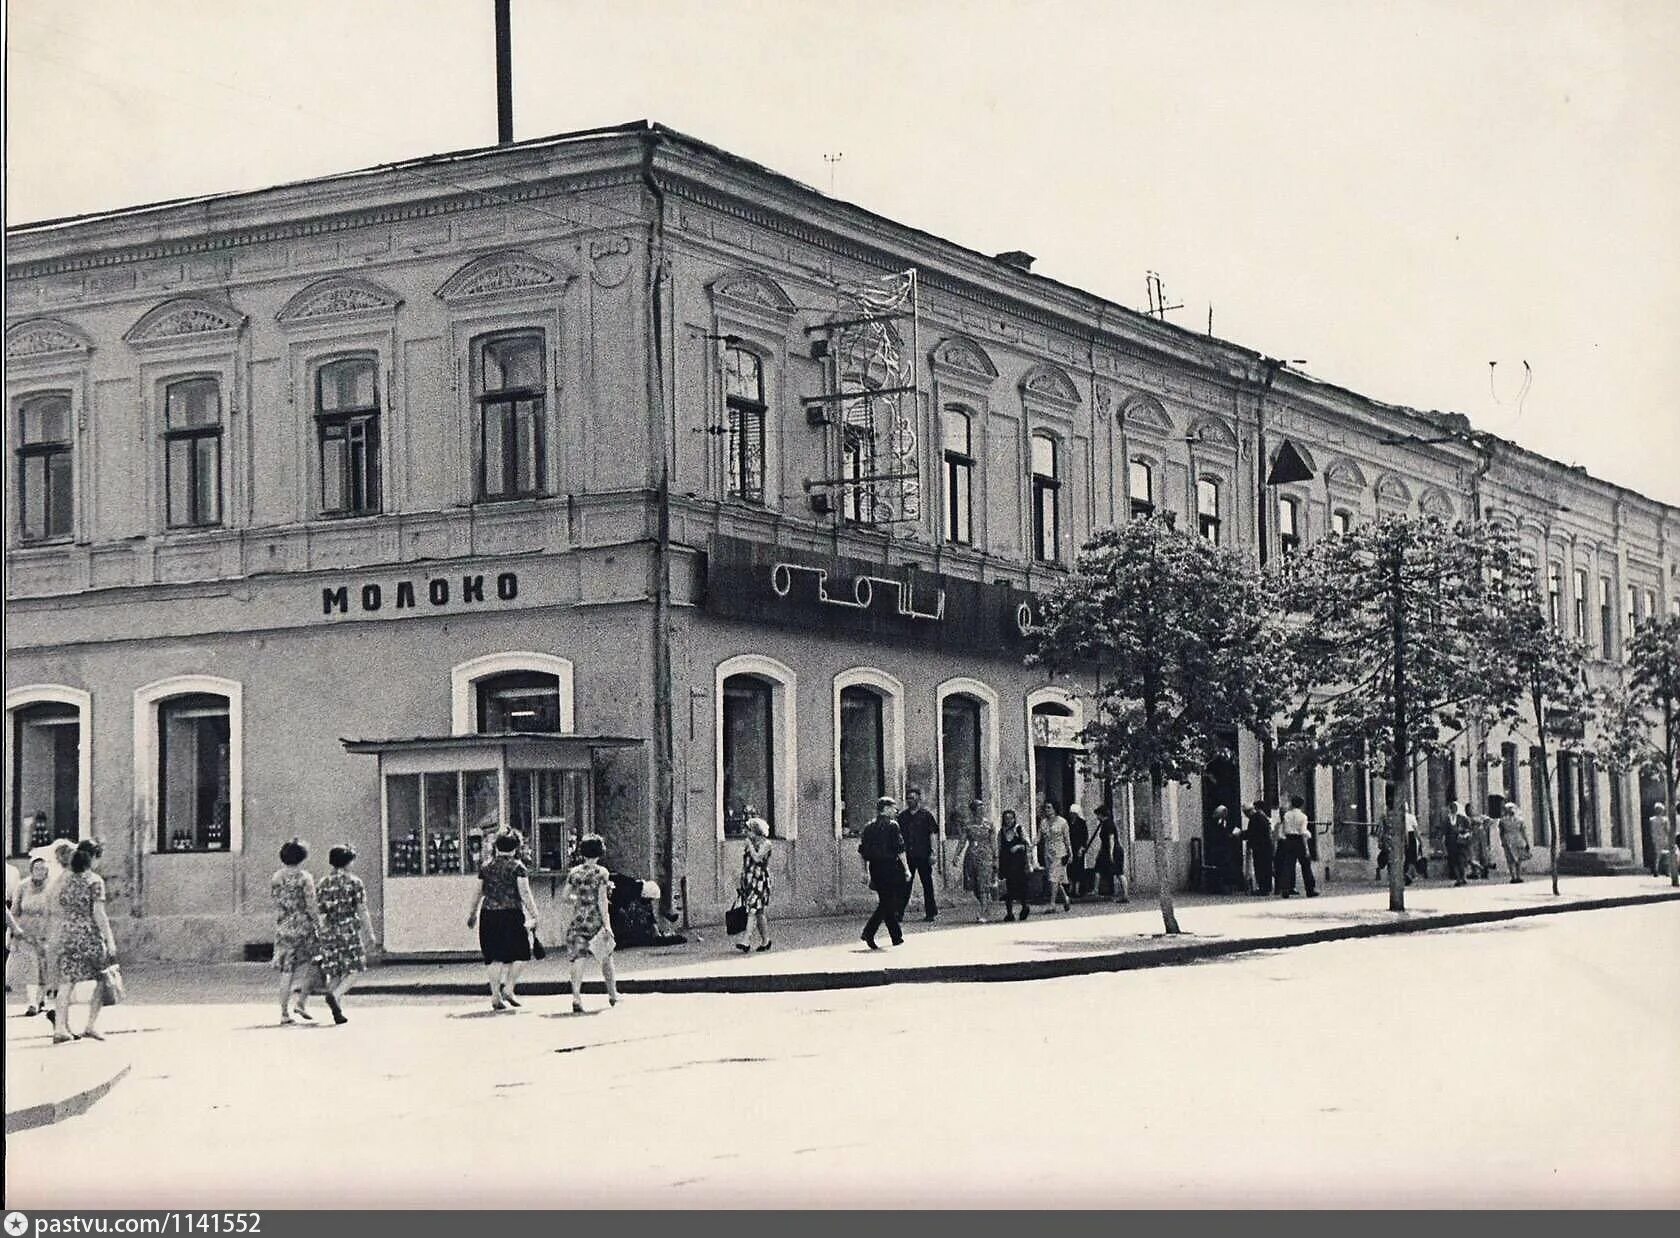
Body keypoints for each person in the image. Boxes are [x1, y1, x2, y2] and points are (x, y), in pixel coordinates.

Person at [52, 840, 117, 1044]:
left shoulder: (65, 879)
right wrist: (110, 940)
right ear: (94, 857)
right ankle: (90, 1025)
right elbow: (99, 913)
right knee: (101, 979)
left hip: (68, 934)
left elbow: (55, 903)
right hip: (89, 935)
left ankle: (60, 1028)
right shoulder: (95, 881)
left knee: (66, 982)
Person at [467, 831, 538, 1011]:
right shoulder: (518, 867)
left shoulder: (486, 867)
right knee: (521, 953)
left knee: (494, 957)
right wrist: (535, 914)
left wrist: (472, 914)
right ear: (515, 848)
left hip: (489, 914)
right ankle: (509, 987)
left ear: (496, 846)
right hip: (511, 914)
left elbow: (478, 892)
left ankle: (495, 996)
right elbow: (525, 894)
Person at [316, 845, 375, 1025]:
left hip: (329, 930)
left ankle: (337, 1011)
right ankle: (336, 995)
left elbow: (321, 912)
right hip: (348, 929)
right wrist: (369, 932)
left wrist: (322, 932)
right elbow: (362, 909)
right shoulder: (354, 882)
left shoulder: (323, 883)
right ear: (348, 862)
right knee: (355, 968)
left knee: (334, 971)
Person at [561, 835, 620, 1013]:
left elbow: (565, 897)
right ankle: (612, 994)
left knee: (578, 959)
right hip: (595, 919)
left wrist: (578, 899)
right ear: (600, 852)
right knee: (606, 958)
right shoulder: (602, 873)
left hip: (578, 919)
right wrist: (607, 925)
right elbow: (602, 901)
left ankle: (576, 997)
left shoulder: (574, 872)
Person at [271, 839, 326, 1025]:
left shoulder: (277, 877)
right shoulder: (305, 878)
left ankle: (284, 1013)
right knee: (315, 961)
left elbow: (277, 901)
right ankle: (301, 1002)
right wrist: (319, 925)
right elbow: (311, 904)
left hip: (284, 926)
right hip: (303, 925)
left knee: (287, 971)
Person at [858, 795, 909, 949]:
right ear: (886, 809)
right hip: (890, 867)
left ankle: (896, 937)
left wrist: (864, 872)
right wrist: (906, 869)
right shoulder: (893, 825)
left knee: (886, 900)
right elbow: (900, 850)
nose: (896, 810)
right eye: (893, 807)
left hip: (875, 867)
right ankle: (869, 931)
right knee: (889, 902)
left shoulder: (868, 827)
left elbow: (862, 852)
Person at [10, 857, 55, 1015]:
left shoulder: (52, 887)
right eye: (36, 868)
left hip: (46, 931)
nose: (40, 872)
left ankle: (42, 1000)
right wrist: (11, 934)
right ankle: (32, 1003)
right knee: (31, 968)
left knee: (44, 967)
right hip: (26, 932)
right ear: (31, 870)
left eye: (43, 869)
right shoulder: (22, 886)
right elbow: (14, 911)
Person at [896, 787, 940, 922]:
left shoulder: (926, 816)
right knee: (904, 884)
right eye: (908, 798)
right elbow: (898, 836)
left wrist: (933, 853)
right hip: (907, 855)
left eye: (913, 798)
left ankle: (930, 912)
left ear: (918, 800)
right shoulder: (902, 817)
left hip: (923, 854)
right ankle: (899, 912)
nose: (910, 801)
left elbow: (932, 835)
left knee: (927, 883)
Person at [953, 798, 997, 922]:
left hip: (985, 854)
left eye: (983, 808)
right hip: (971, 854)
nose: (981, 810)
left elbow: (993, 842)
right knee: (974, 885)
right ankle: (986, 904)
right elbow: (962, 841)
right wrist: (957, 855)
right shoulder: (968, 825)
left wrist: (995, 857)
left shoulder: (989, 824)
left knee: (983, 883)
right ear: (973, 811)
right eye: (979, 808)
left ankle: (983, 912)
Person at [736, 814, 774, 952]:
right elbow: (746, 863)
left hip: (760, 880)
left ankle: (746, 940)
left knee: (752, 909)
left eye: (749, 830)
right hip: (749, 880)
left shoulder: (766, 844)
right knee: (759, 912)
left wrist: (750, 846)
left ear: (756, 831)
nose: (747, 833)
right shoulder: (749, 844)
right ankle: (766, 940)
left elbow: (758, 858)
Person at [1276, 796, 1318, 898]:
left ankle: (1285, 888)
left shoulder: (1287, 815)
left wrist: (1284, 838)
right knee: (1305, 865)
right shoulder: (1303, 817)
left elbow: (1283, 830)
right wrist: (1307, 846)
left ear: (1292, 804)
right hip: (1299, 840)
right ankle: (1310, 889)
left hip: (1289, 840)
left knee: (1288, 865)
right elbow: (1303, 832)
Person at [997, 810, 1032, 921]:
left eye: (1011, 818)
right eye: (1006, 818)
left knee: (1022, 886)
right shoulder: (1001, 832)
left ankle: (1025, 907)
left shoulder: (1019, 829)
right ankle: (1009, 913)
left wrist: (1018, 847)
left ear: (1014, 818)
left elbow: (1028, 845)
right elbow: (999, 848)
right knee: (1009, 887)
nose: (1008, 820)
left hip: (1019, 862)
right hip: (1007, 862)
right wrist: (997, 863)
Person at [1038, 800, 1072, 911]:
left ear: (1055, 809)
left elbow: (1067, 839)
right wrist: (1031, 844)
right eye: (1046, 808)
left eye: (1049, 807)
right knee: (1054, 878)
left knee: (1054, 877)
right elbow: (1039, 837)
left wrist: (1070, 853)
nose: (1047, 810)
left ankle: (1052, 904)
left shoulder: (1062, 822)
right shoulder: (1043, 822)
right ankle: (1065, 898)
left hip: (1060, 852)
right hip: (1048, 853)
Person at [1093, 803, 1126, 902]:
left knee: (1118, 873)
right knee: (1117, 872)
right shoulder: (1106, 824)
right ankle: (1125, 895)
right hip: (1108, 850)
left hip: (1112, 850)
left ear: (1101, 814)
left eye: (1097, 815)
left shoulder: (1108, 824)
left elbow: (1111, 838)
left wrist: (1111, 853)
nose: (1097, 817)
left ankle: (1096, 891)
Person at [1243, 800, 1276, 896]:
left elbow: (1252, 833)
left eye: (1246, 814)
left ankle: (1263, 889)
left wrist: (1240, 834)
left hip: (1260, 847)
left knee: (1260, 868)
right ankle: (1266, 888)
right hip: (1266, 846)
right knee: (1266, 867)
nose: (1246, 816)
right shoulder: (1262, 816)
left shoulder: (1255, 818)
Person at [1498, 802, 1530, 883]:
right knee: (1511, 859)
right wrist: (1502, 841)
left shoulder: (1519, 820)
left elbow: (1523, 831)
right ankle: (1514, 876)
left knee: (1517, 859)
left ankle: (1517, 876)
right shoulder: (1503, 821)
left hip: (1516, 840)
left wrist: (1526, 842)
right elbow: (1501, 832)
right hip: (1510, 840)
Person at [1066, 803, 1092, 899]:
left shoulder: (1081, 823)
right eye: (1071, 813)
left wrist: (1082, 847)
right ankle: (1070, 888)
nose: (1072, 815)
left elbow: (1085, 836)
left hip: (1078, 849)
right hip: (1070, 848)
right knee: (1070, 868)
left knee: (1078, 868)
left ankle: (1076, 889)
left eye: (1074, 813)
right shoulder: (1068, 822)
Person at [1445, 799, 1474, 886]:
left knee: (1461, 860)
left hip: (1461, 843)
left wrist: (1464, 833)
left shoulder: (1462, 818)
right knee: (1454, 861)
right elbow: (1444, 830)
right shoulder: (1447, 819)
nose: (1453, 809)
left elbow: (1469, 829)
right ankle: (1458, 879)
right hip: (1451, 843)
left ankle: (1463, 877)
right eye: (1452, 807)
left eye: (1455, 807)